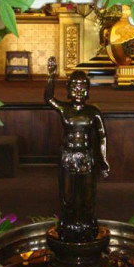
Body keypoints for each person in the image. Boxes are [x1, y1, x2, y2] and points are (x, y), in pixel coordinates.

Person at [45, 57, 110, 243]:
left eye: (83, 87)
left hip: (87, 158)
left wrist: (104, 160)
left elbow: (103, 137)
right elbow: (49, 99)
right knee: (67, 194)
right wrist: (51, 76)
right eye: (74, 86)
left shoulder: (93, 112)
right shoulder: (64, 109)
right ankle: (67, 224)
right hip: (68, 157)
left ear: (88, 90)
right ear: (68, 90)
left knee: (87, 194)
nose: (79, 91)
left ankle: (87, 224)